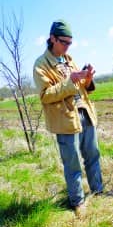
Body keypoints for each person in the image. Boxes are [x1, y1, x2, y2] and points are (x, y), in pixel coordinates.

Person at [33, 19, 103, 216]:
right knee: (72, 164)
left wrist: (87, 79)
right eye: (64, 42)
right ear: (52, 38)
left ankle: (98, 190)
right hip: (65, 120)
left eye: (70, 43)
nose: (67, 46)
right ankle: (78, 202)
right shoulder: (41, 65)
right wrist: (70, 81)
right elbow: (45, 95)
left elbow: (81, 87)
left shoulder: (69, 59)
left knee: (93, 154)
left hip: (84, 112)